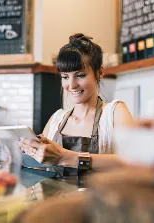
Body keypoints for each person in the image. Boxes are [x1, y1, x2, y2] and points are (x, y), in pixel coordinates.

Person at [19, 33, 132, 172]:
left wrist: (65, 157)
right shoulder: (56, 120)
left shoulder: (114, 112)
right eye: (65, 77)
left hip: (100, 194)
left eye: (80, 75)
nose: (71, 85)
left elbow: (133, 161)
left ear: (99, 72)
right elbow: (42, 170)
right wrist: (30, 150)